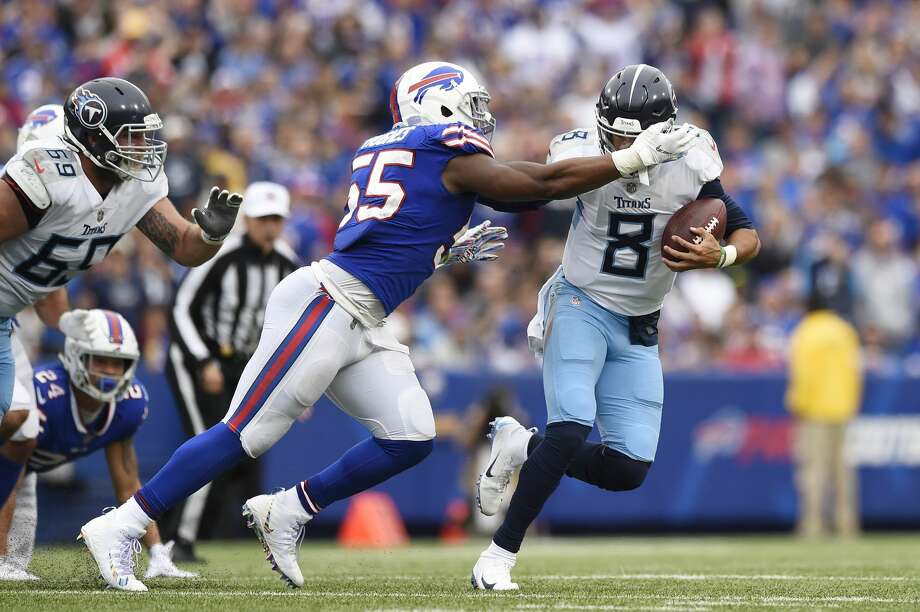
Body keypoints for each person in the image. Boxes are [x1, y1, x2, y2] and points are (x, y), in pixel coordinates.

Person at [79, 60, 698, 592]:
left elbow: (388, 237)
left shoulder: (384, 148)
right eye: (469, 104)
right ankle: (123, 524)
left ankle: (289, 509)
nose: (479, 116)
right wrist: (633, 156)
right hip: (326, 302)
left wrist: (439, 253)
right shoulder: (443, 148)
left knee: (411, 435)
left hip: (364, 312)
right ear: (438, 103)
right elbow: (535, 187)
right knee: (246, 433)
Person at [470, 64, 762, 590]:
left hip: (639, 324)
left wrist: (719, 256)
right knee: (571, 426)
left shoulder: (692, 158)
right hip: (581, 301)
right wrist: (623, 157)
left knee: (627, 469)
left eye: (632, 137)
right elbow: (537, 189)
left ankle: (519, 445)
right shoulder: (579, 150)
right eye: (612, 133)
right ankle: (498, 555)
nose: (618, 144)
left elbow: (745, 231)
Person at [0, 77, 244, 510]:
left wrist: (211, 234)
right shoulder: (47, 174)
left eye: (143, 134)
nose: (141, 145)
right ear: (92, 135)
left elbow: (184, 247)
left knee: (15, 425)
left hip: (5, 317)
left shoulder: (136, 185)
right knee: (17, 423)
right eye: (130, 135)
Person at [0, 309, 195, 581]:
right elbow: (8, 472)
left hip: (23, 468)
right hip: (7, 463)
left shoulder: (128, 404)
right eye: (101, 361)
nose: (111, 372)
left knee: (15, 565)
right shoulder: (44, 393)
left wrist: (157, 553)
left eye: (119, 363)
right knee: (11, 541)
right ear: (76, 356)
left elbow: (127, 482)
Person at [162, 182, 299, 562]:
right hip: (198, 357)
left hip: (243, 364)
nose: (269, 227)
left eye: (275, 219)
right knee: (205, 443)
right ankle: (177, 540)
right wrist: (203, 360)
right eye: (262, 219)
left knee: (233, 452)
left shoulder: (288, 264)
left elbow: (295, 328)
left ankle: (180, 535)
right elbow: (180, 309)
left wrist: (295, 383)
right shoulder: (222, 255)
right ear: (247, 220)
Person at [786, 266, 862, 538]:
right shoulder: (844, 330)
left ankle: (813, 526)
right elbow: (856, 371)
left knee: (813, 472)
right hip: (842, 408)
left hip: (815, 410)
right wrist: (851, 403)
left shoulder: (805, 333)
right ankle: (847, 526)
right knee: (843, 472)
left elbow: (803, 376)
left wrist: (797, 404)